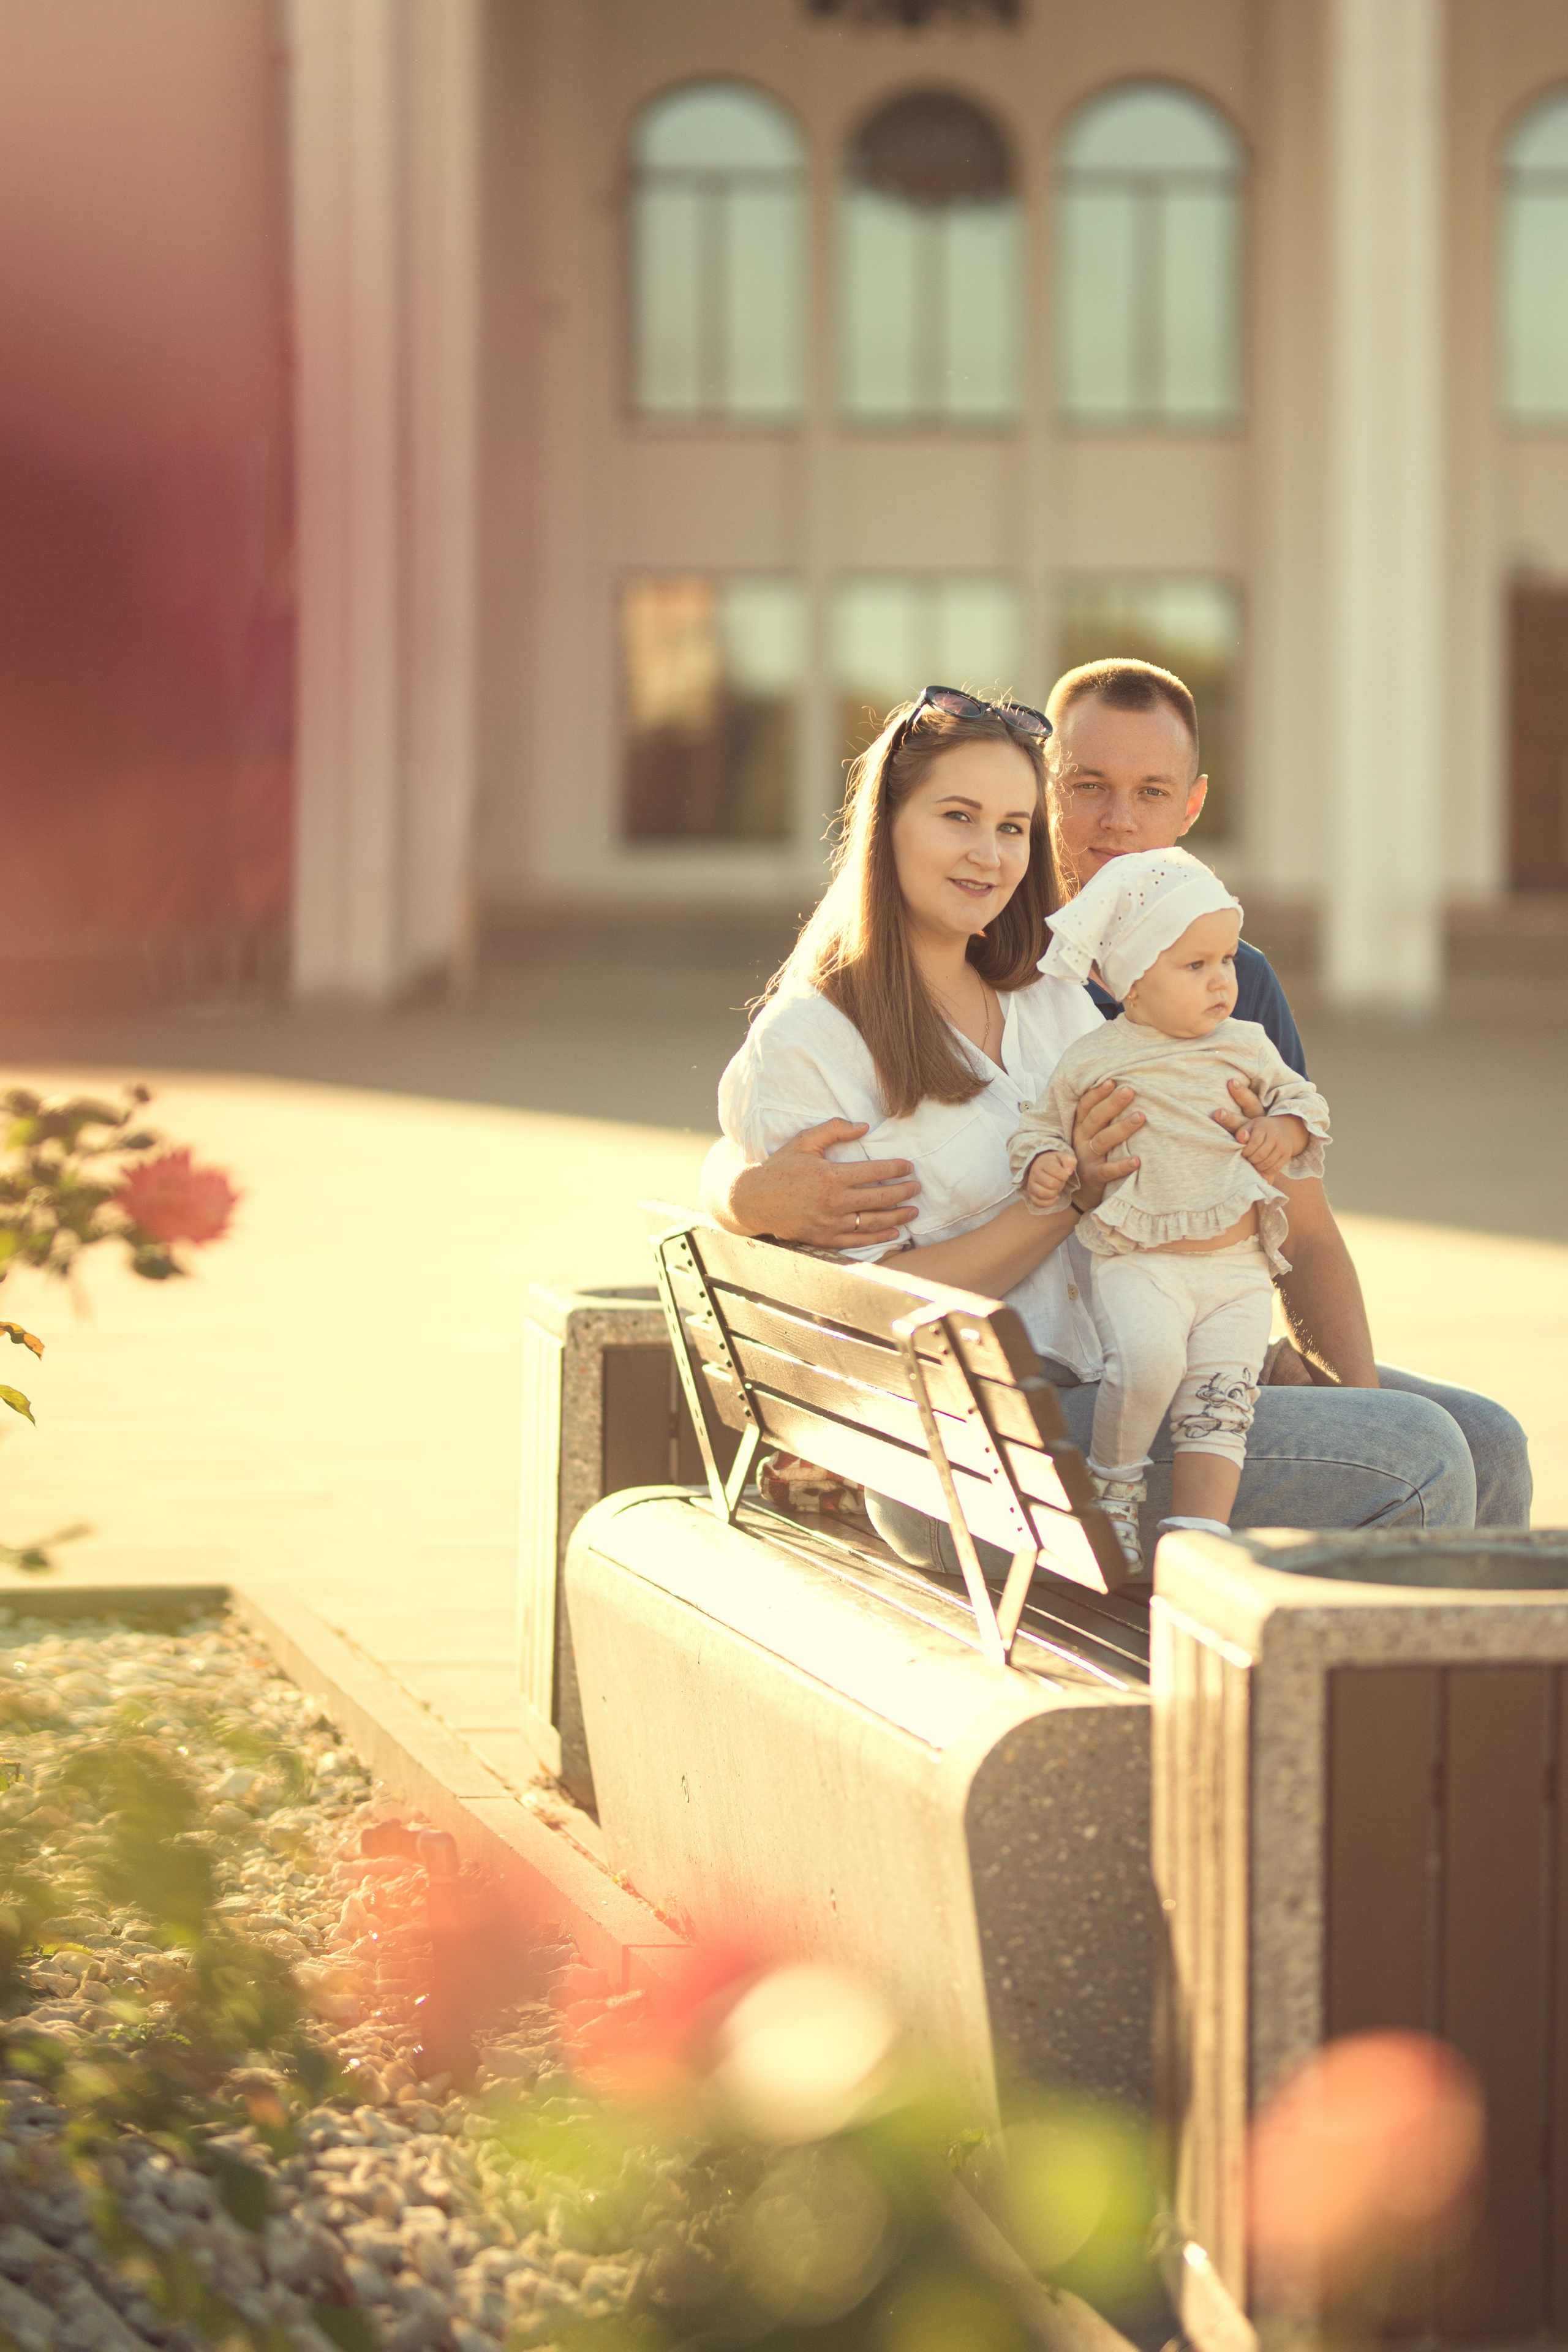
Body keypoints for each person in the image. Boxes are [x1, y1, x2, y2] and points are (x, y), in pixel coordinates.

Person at [703, 661, 1532, 1541]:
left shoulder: (1058, 994)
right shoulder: (820, 1037)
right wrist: (741, 1188)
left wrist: (1274, 1359)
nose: (991, 853)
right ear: (887, 828)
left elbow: (1296, 1223)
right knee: (1420, 1455)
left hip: (1143, 1357)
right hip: (988, 1434)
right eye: (959, 818)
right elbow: (850, 1318)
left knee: (1490, 1440)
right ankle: (1291, 1673)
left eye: (1008, 827)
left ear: (1191, 806)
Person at [1011, 846, 1331, 1566]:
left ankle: (1199, 1534)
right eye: (1196, 966)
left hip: (1237, 1268)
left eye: (1226, 961)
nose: (1223, 980)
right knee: (1149, 1365)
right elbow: (1040, 1124)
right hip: (1143, 1260)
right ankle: (1115, 1487)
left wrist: (1280, 1130)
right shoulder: (1094, 1057)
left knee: (1222, 1401)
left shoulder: (1246, 1044)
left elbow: (1303, 1104)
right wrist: (1045, 1163)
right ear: (1131, 980)